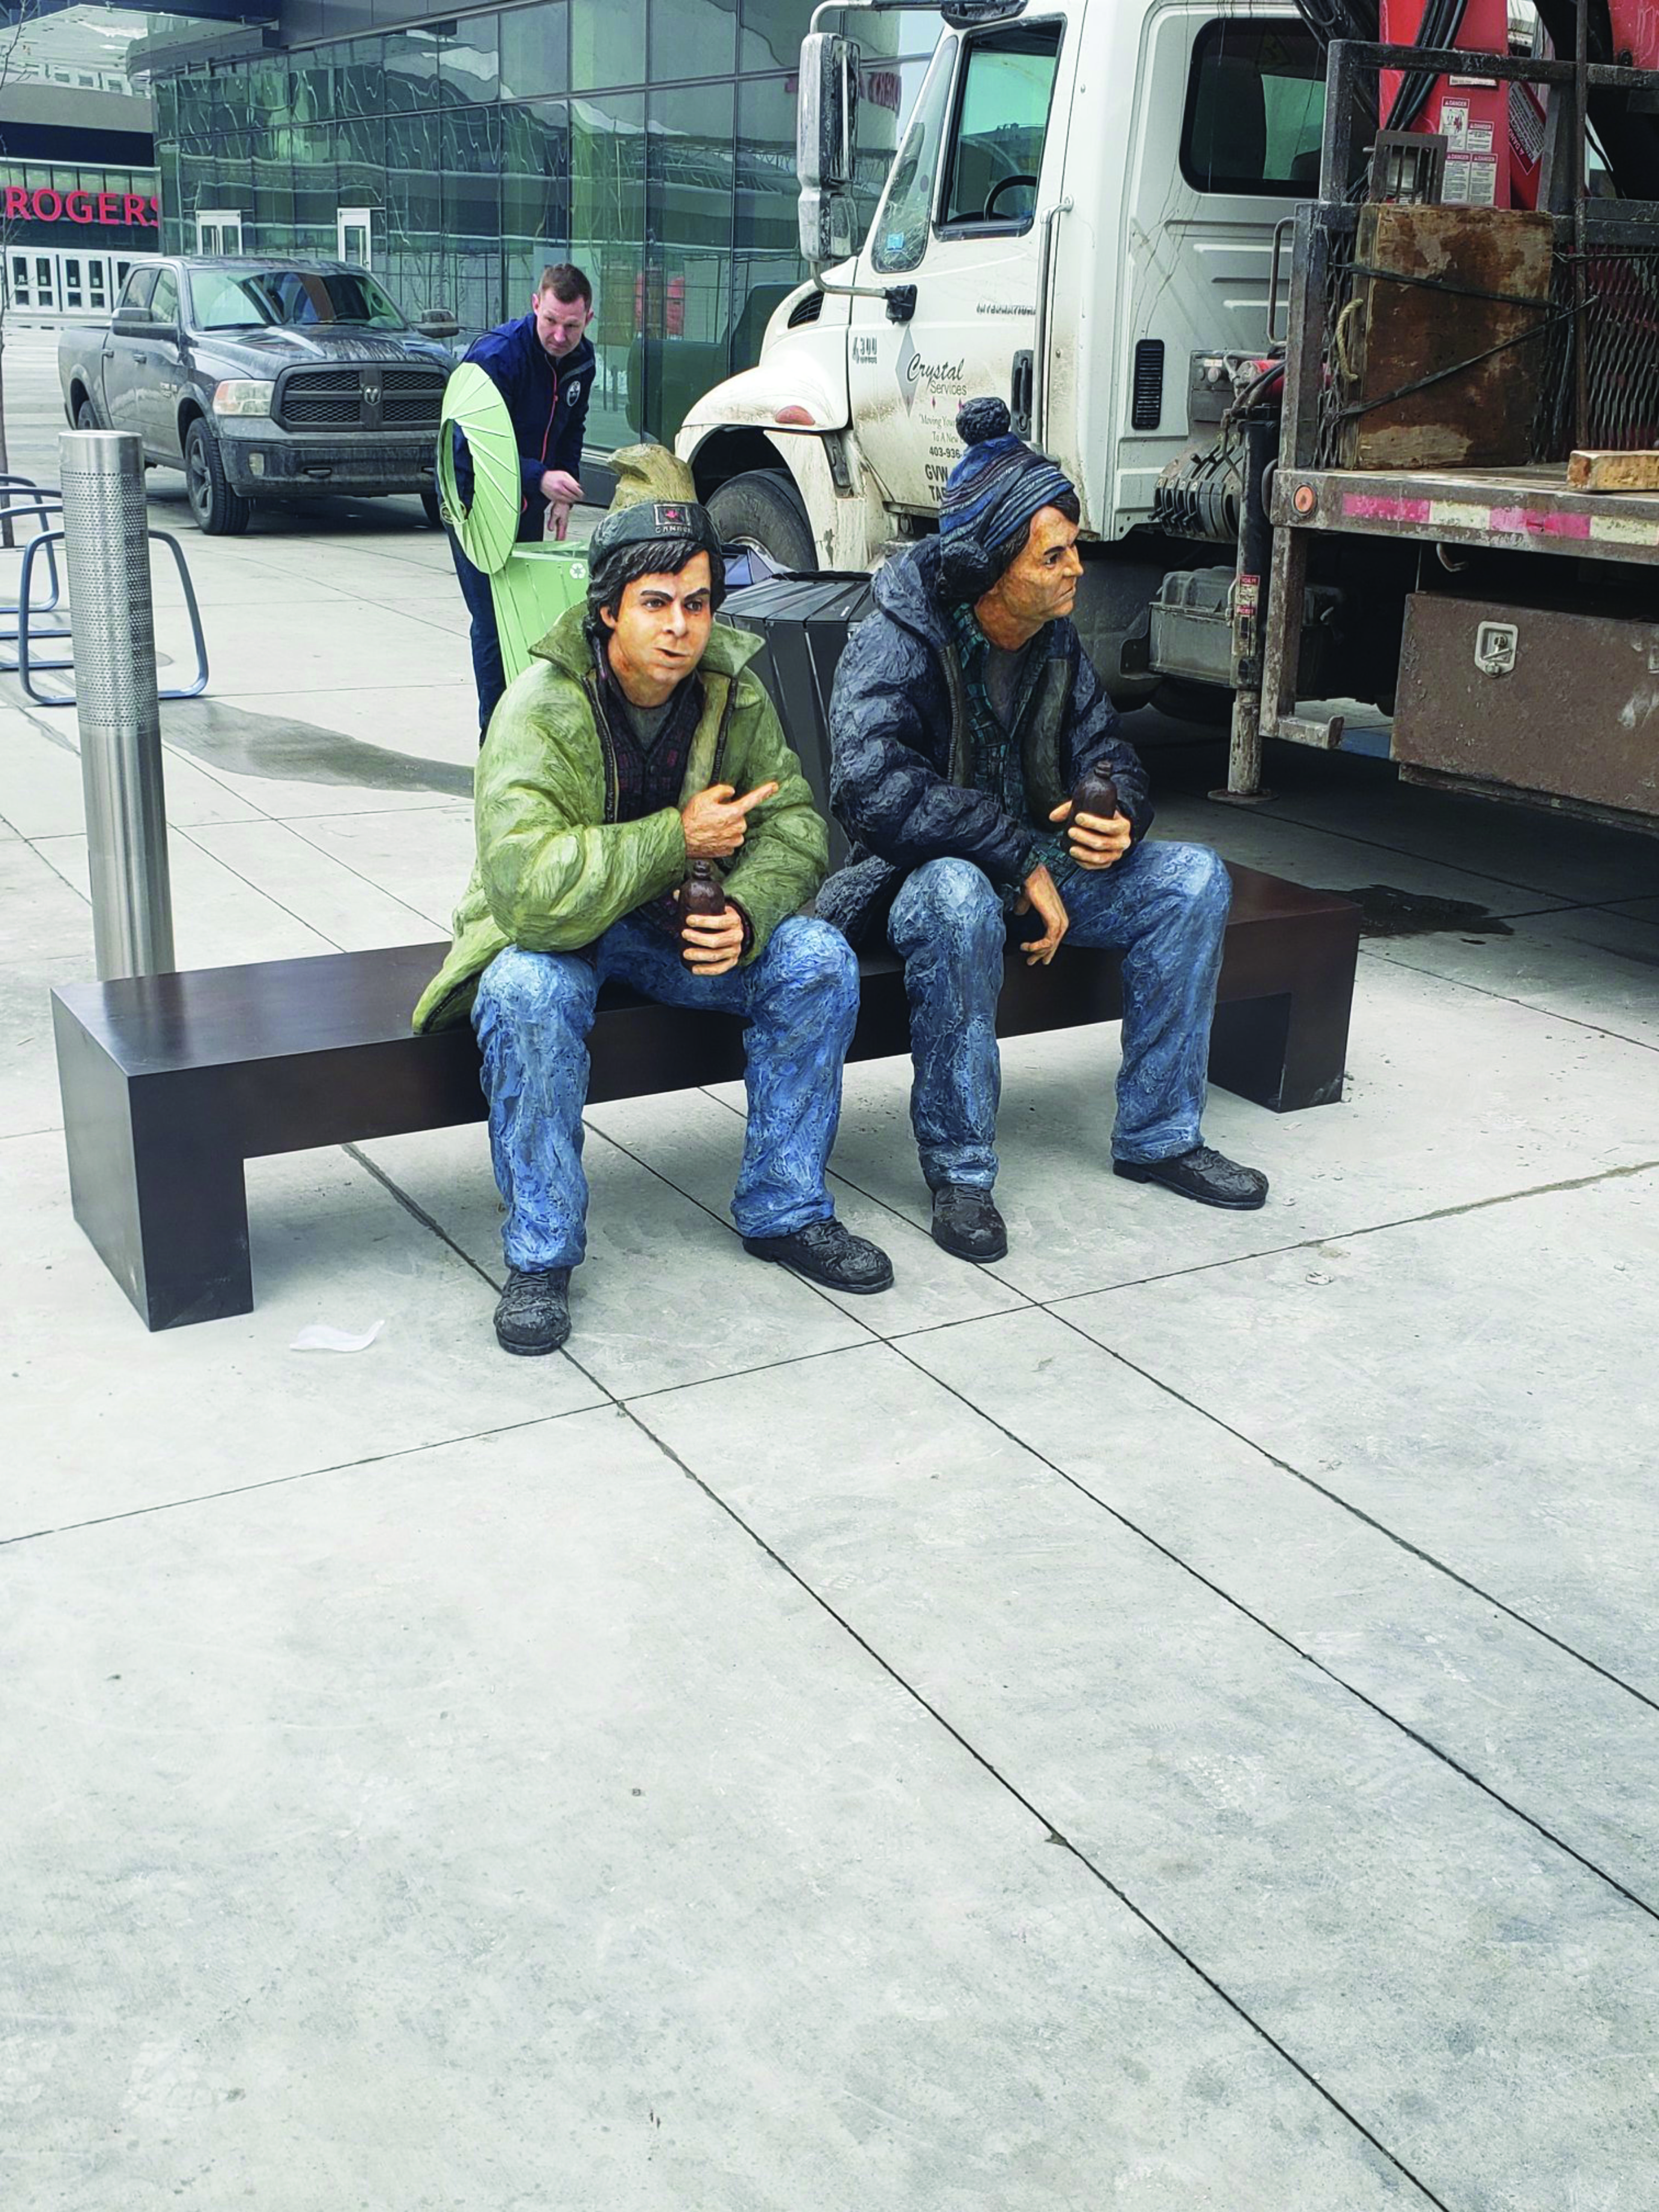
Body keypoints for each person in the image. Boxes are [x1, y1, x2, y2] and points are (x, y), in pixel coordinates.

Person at [415, 497, 894, 1355]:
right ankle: (539, 1254)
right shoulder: (538, 706)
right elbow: (527, 890)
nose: (681, 626)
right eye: (656, 602)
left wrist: (744, 914)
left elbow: (793, 823)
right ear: (607, 609)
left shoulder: (729, 689)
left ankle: (785, 1207)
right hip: (562, 932)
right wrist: (677, 839)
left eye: (698, 601)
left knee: (816, 958)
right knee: (526, 993)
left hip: (682, 928)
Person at [819, 396, 1268, 1265]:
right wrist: (1014, 851)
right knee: (954, 901)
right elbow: (868, 787)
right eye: (1051, 555)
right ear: (989, 567)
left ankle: (1159, 1134)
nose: (1075, 572)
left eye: (1074, 551)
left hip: (1037, 872)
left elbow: (1109, 754)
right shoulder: (899, 638)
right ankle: (959, 1168)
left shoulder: (1051, 641)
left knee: (1188, 880)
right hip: (923, 873)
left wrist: (1113, 812)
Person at [448, 264, 597, 743]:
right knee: (491, 619)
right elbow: (472, 447)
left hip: (533, 496)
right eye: (551, 320)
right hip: (474, 495)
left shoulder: (582, 361)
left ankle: (526, 723)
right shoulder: (498, 356)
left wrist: (563, 495)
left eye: (571, 326)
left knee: (527, 612)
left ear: (587, 319)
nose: (559, 335)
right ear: (536, 304)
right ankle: (493, 737)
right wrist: (539, 478)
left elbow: (570, 430)